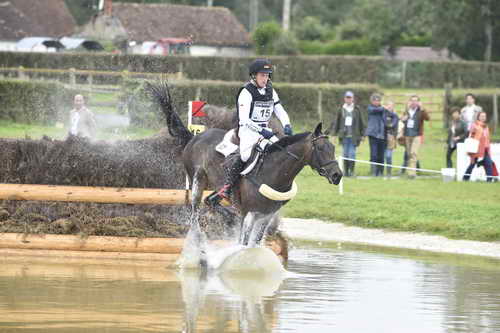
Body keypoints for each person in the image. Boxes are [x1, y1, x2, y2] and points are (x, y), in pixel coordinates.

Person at [211, 59, 292, 202]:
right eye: (262, 75)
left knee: (280, 150)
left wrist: (287, 124)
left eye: (267, 75)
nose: (265, 79)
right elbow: (244, 120)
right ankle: (228, 187)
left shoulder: (270, 91)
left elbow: (280, 110)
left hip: (264, 129)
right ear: (254, 76)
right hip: (247, 130)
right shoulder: (246, 92)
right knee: (245, 156)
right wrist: (261, 131)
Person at [327, 91, 366, 177]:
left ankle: (351, 172)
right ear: (344, 98)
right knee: (345, 154)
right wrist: (334, 134)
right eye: (347, 97)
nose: (348, 99)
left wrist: (363, 134)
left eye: (350, 97)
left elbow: (361, 122)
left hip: (354, 136)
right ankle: (346, 172)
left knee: (352, 154)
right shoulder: (341, 109)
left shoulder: (357, 109)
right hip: (344, 136)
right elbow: (336, 122)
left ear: (353, 99)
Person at [401, 95, 430, 179]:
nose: (414, 102)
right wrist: (403, 119)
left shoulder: (421, 111)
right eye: (412, 100)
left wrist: (422, 109)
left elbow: (427, 118)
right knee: (409, 154)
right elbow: (402, 120)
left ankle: (412, 173)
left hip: (417, 135)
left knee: (413, 153)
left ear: (418, 102)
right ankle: (411, 170)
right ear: (410, 102)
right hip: (407, 135)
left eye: (416, 101)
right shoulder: (406, 110)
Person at [463, 111, 496, 182]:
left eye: (484, 116)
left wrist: (488, 148)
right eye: (482, 116)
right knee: (472, 164)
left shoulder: (486, 127)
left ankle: (489, 180)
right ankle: (465, 178)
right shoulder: (474, 125)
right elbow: (470, 136)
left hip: (485, 148)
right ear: (478, 117)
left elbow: (487, 138)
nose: (483, 118)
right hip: (476, 148)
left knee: (489, 163)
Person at [365, 93, 387, 177]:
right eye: (375, 100)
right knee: (373, 155)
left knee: (381, 155)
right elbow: (376, 110)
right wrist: (384, 107)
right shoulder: (370, 108)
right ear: (372, 101)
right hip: (373, 135)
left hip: (382, 135)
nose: (376, 102)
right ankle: (373, 172)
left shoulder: (383, 109)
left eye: (378, 100)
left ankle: (380, 172)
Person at [383, 101, 399, 178]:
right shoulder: (383, 114)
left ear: (393, 107)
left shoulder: (395, 116)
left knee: (388, 156)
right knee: (382, 156)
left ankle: (389, 172)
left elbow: (391, 125)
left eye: (391, 106)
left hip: (391, 138)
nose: (389, 107)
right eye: (388, 105)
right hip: (382, 138)